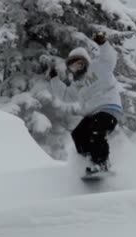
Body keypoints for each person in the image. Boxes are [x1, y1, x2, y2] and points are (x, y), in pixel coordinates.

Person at [48, 32, 123, 174]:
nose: (78, 68)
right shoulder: (77, 85)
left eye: (80, 64)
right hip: (93, 113)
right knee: (78, 134)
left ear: (86, 62)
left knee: (97, 130)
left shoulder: (99, 67)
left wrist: (103, 43)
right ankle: (90, 160)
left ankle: (101, 163)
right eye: (73, 66)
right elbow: (65, 95)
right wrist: (54, 79)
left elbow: (109, 58)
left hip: (109, 108)